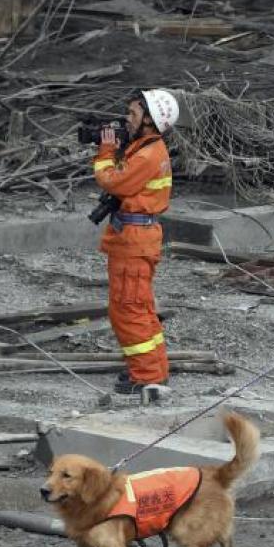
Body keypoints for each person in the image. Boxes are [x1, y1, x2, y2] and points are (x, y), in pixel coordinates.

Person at [93, 90, 177, 396]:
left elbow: (112, 180)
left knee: (129, 310)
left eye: (132, 114)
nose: (127, 120)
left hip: (134, 243)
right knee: (138, 307)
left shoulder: (147, 154)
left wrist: (104, 152)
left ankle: (147, 377)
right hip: (134, 240)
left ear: (150, 121)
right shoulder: (147, 148)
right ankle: (152, 370)